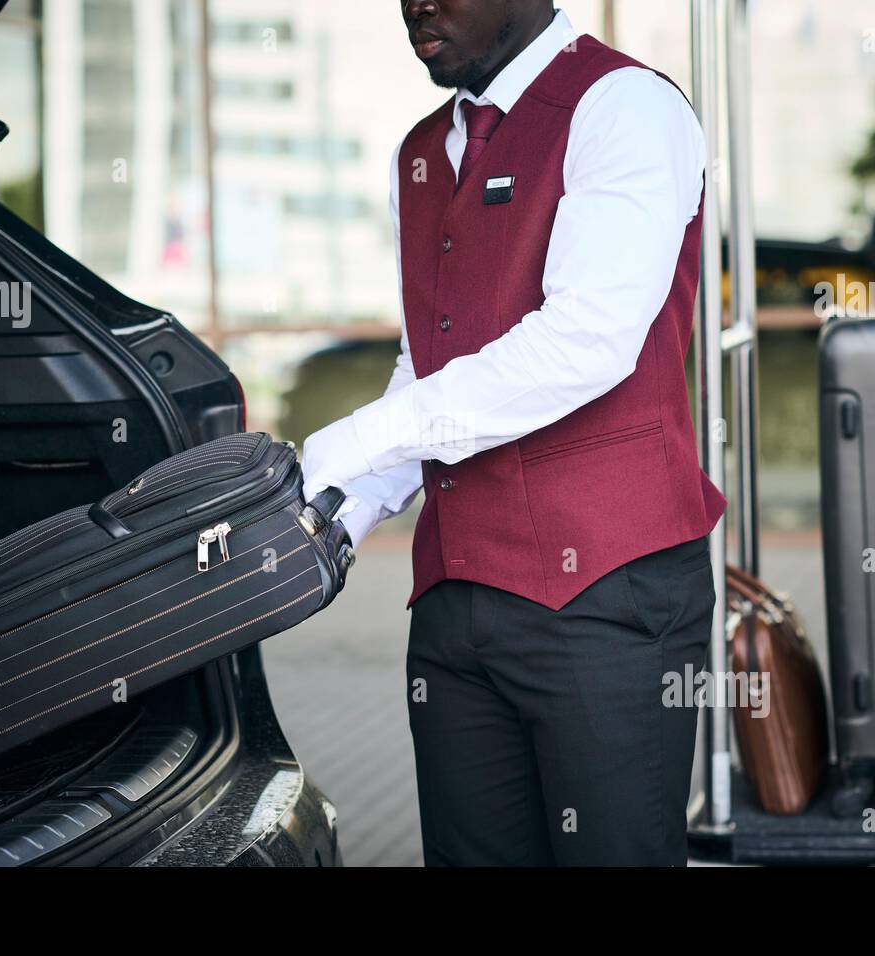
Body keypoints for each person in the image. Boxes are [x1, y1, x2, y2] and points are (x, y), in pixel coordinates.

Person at [300, 0, 726, 866]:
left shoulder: (625, 107)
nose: (416, 4)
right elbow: (431, 364)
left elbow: (586, 342)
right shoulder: (421, 153)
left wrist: (360, 436)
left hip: (609, 598)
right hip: (453, 607)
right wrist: (341, 506)